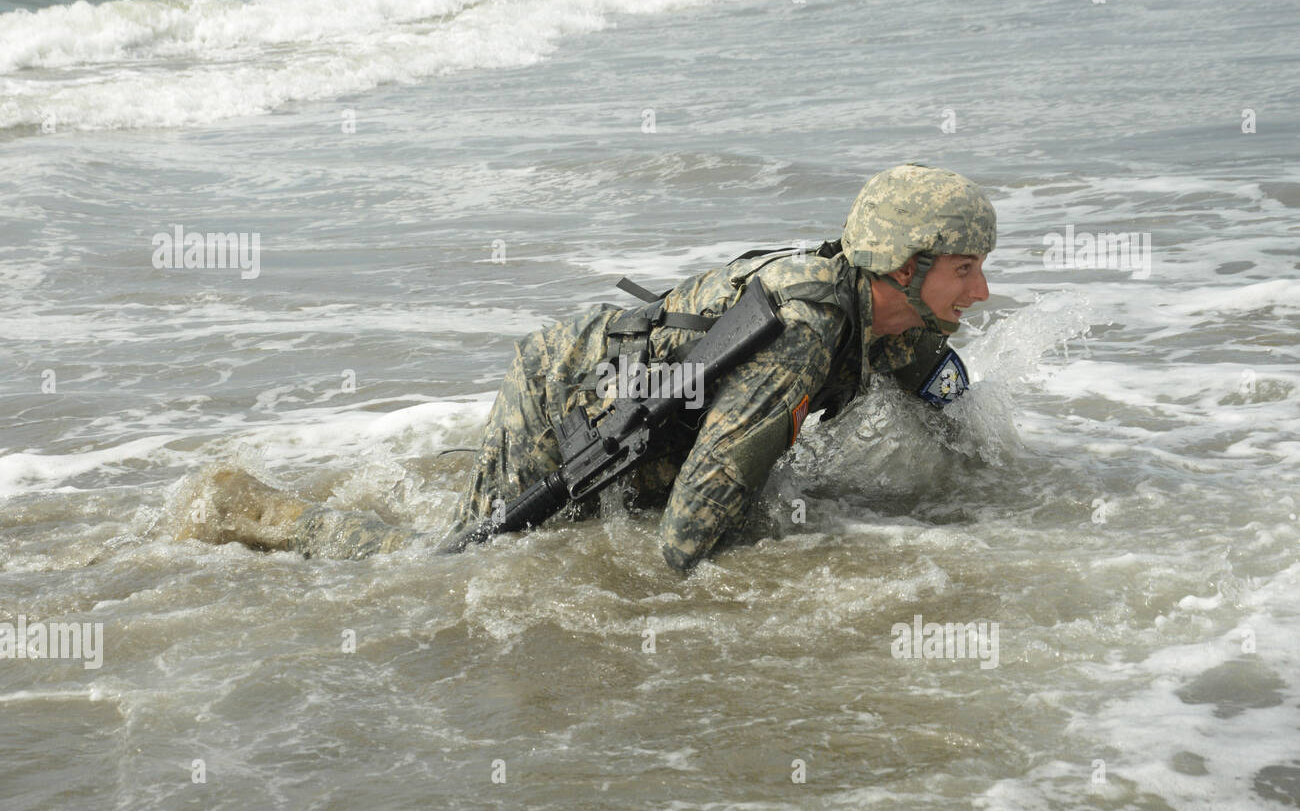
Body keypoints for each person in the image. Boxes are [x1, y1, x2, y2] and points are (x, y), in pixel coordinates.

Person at [180, 163, 995, 570]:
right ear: (901, 265)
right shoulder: (804, 332)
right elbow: (688, 539)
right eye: (965, 269)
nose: (982, 290)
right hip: (566, 391)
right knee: (451, 555)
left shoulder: (898, 317)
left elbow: (950, 403)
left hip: (644, 403)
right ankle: (263, 512)